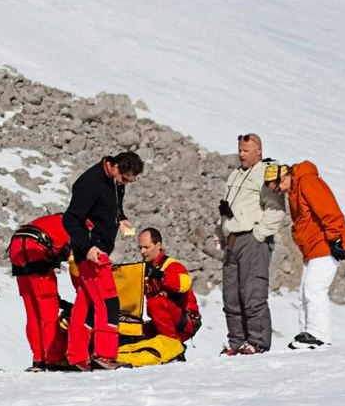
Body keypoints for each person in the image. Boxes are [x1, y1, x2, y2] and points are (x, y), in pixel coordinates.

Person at [61, 151, 144, 370]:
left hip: (98, 249)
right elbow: (70, 219)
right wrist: (88, 248)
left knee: (85, 303)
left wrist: (121, 219)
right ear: (115, 167)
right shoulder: (89, 183)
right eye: (125, 178)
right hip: (92, 252)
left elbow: (112, 206)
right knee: (108, 301)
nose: (126, 183)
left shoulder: (116, 182)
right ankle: (105, 355)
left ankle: (77, 357)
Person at [218, 132, 286, 355]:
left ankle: (257, 342)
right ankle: (237, 341)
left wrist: (259, 234)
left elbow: (275, 208)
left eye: (246, 151)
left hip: (252, 240)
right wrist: (222, 233)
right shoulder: (235, 175)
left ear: (259, 151)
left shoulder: (265, 173)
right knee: (231, 295)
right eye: (240, 150)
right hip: (232, 240)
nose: (241, 154)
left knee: (252, 292)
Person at [280, 160, 345, 349]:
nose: (278, 191)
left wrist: (335, 239)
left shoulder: (307, 182)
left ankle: (318, 335)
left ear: (284, 176)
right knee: (305, 291)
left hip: (326, 245)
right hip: (312, 249)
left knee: (314, 289)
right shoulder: (294, 190)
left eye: (277, 185)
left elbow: (329, 210)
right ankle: (307, 332)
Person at [115, 226, 199, 367]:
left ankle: (173, 349)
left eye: (146, 247)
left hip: (185, 322)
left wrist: (160, 275)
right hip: (162, 323)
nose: (142, 251)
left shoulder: (171, 265)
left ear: (158, 245)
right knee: (134, 332)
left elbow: (184, 283)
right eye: (140, 247)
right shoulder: (146, 269)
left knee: (155, 303)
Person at [8, 214, 71, 370]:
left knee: (33, 310)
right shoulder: (82, 225)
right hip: (35, 248)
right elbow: (75, 257)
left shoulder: (60, 218)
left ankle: (38, 359)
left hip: (17, 247)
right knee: (48, 310)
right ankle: (54, 358)